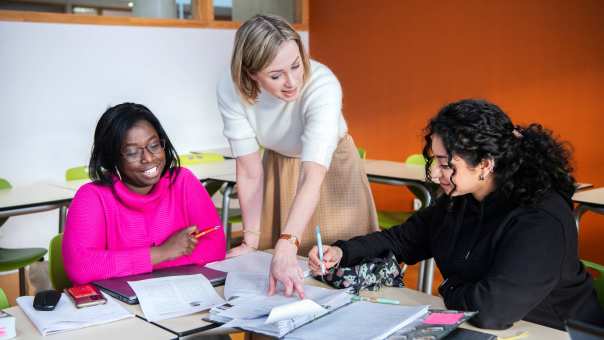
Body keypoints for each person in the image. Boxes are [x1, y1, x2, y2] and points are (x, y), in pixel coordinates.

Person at [309, 99, 604, 330]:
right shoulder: (460, 200)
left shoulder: (540, 220)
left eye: (446, 163)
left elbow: (491, 311)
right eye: (434, 161)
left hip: (553, 331)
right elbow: (401, 240)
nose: (436, 174)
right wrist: (342, 252)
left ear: (485, 165)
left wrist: (448, 287)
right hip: (487, 327)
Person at [217, 14, 378, 298]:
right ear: (250, 73)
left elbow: (312, 177)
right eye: (276, 75)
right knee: (275, 270)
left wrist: (288, 242)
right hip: (278, 164)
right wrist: (252, 240)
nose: (292, 81)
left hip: (330, 170)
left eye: (296, 65)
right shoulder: (232, 90)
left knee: (337, 271)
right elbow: (250, 171)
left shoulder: (322, 84)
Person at [63, 103, 226, 284]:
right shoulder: (93, 198)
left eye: (154, 145)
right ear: (112, 159)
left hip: (181, 296)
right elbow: (81, 268)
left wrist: (122, 265)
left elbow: (215, 247)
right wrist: (163, 253)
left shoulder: (183, 182)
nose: (148, 158)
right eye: (132, 152)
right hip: (122, 306)